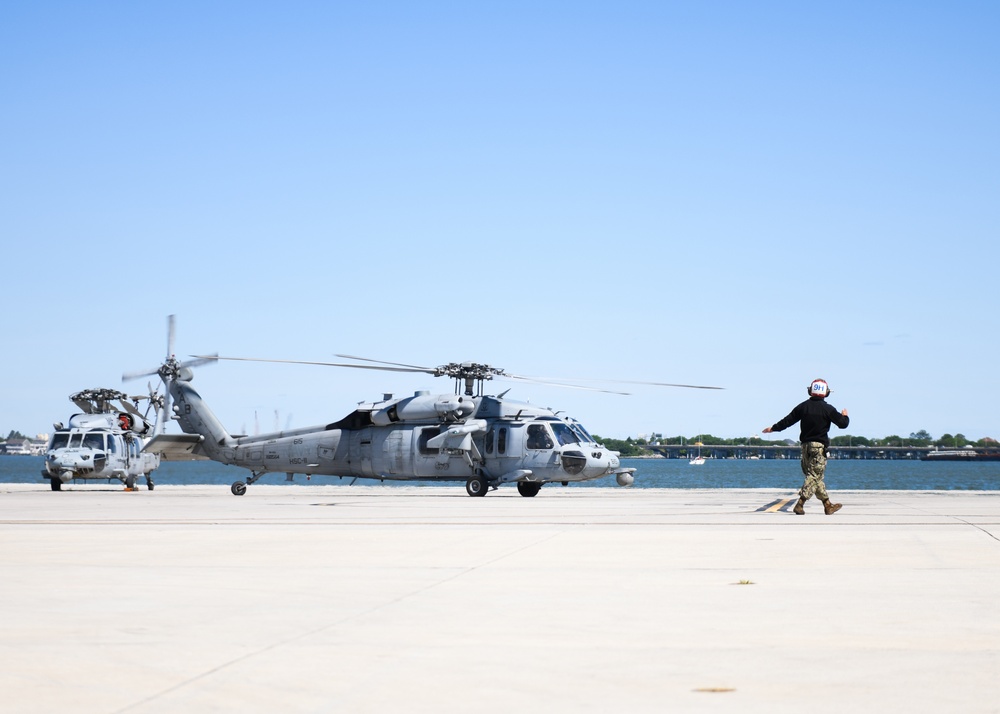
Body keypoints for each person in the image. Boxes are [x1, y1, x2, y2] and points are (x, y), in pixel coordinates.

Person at [762, 379, 850, 515]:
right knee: (814, 476)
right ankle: (800, 504)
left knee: (815, 477)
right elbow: (843, 424)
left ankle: (827, 505)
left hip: (805, 447)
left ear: (811, 391)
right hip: (819, 447)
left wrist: (773, 428)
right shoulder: (828, 409)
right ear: (826, 393)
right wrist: (845, 416)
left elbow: (788, 420)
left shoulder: (803, 407)